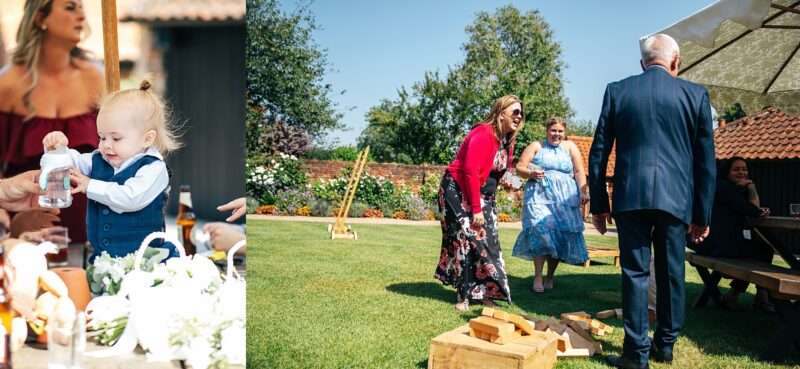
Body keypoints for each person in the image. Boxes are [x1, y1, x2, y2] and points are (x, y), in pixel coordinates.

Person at [589, 34, 715, 369]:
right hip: (677, 200)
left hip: (631, 195)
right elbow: (706, 162)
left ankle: (636, 353)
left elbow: (599, 152)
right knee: (672, 271)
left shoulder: (618, 91)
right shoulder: (696, 95)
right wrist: (702, 213)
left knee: (635, 273)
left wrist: (599, 204)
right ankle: (666, 345)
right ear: (677, 61)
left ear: (643, 62)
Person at [0, 0, 103, 246]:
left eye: (81, 7)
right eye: (70, 7)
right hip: (26, 231)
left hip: (92, 229)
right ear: (40, 18)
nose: (81, 15)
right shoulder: (7, 84)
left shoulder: (97, 78)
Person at [41, 81, 181, 261]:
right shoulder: (99, 159)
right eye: (102, 137)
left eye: (116, 138)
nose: (106, 145)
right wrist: (58, 150)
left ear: (147, 139)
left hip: (144, 261)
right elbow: (72, 162)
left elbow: (130, 198)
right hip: (103, 259)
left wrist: (89, 185)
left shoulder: (153, 168)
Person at [434, 95, 523, 311]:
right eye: (515, 112)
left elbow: (495, 172)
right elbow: (470, 172)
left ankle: (485, 293)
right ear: (501, 113)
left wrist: (508, 183)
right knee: (465, 240)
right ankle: (464, 295)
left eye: (521, 113)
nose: (519, 117)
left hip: (484, 195)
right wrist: (475, 209)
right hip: (457, 190)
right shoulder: (483, 133)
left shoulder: (506, 141)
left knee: (489, 243)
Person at [512, 117, 588, 293]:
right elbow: (520, 167)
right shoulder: (536, 146)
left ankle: (550, 276)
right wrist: (531, 172)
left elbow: (578, 171)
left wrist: (583, 191)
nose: (557, 134)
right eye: (553, 130)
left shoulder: (570, 147)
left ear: (564, 132)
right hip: (539, 196)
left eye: (560, 131)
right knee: (541, 231)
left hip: (564, 199)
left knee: (559, 235)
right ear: (547, 131)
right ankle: (538, 276)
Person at [691, 157, 773, 312]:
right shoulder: (726, 188)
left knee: (756, 251)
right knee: (764, 251)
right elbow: (754, 211)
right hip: (720, 248)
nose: (742, 172)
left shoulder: (720, 187)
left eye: (744, 169)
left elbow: (750, 210)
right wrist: (752, 187)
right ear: (726, 172)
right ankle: (756, 296)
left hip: (706, 246)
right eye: (736, 169)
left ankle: (742, 295)